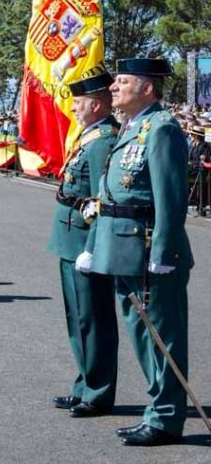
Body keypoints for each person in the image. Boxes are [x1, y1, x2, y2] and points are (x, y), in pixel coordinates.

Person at [77, 58, 195, 446]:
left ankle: (164, 417)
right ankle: (157, 411)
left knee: (162, 336)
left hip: (148, 252)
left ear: (147, 88)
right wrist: (95, 246)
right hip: (122, 249)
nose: (113, 87)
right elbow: (109, 197)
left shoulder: (161, 129)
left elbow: (170, 198)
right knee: (143, 337)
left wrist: (164, 250)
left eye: (123, 81)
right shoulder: (132, 126)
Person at [47, 71, 119, 419]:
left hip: (83, 239)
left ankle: (99, 391)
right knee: (77, 318)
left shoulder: (104, 139)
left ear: (97, 103)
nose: (73, 107)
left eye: (78, 101)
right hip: (69, 235)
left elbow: (101, 200)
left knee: (94, 318)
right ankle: (84, 385)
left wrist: (94, 246)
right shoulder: (90, 136)